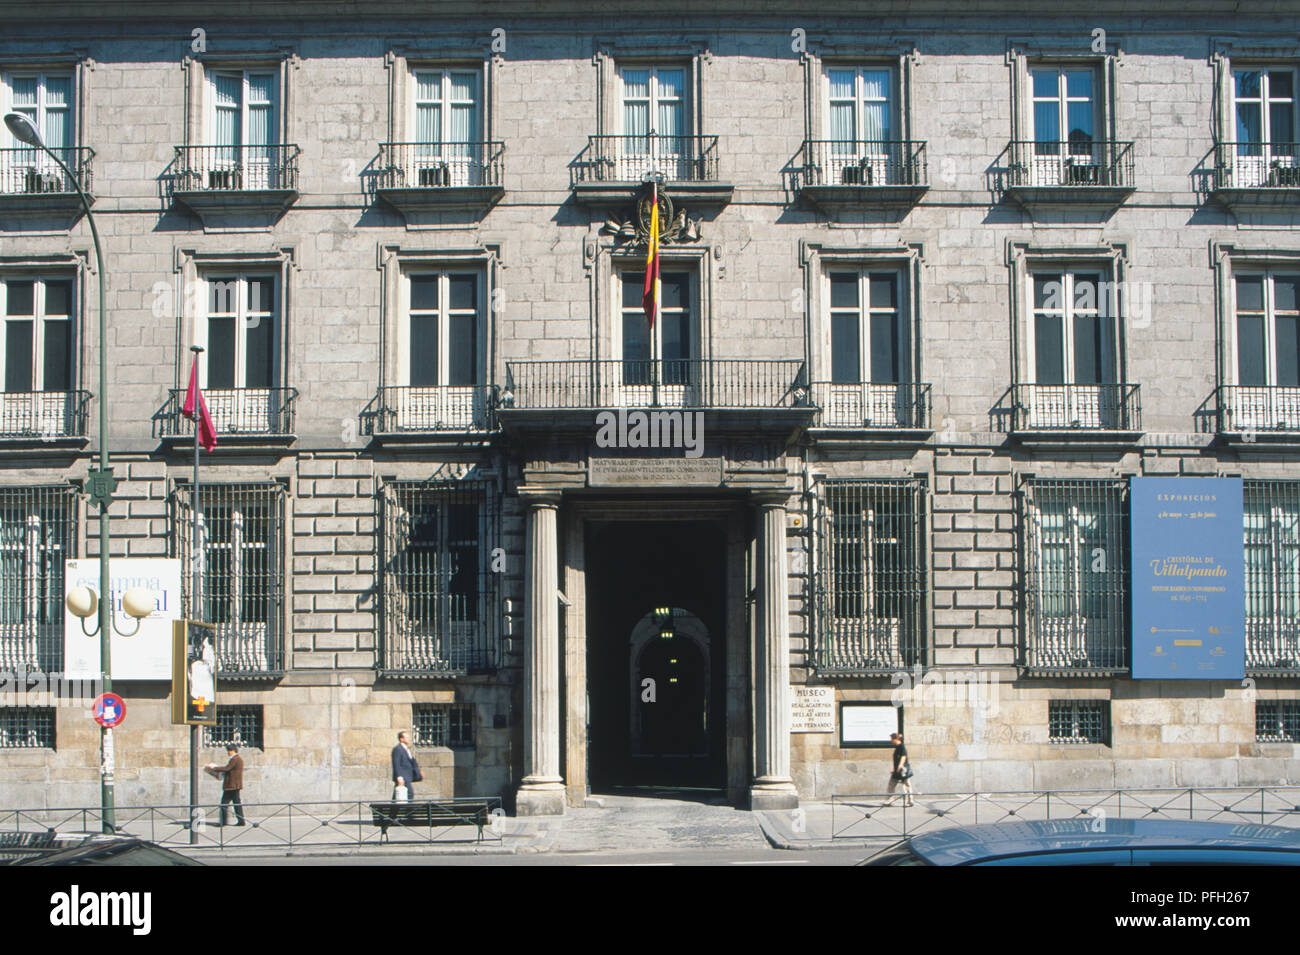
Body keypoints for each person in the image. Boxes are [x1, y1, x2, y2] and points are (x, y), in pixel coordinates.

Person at [207, 744, 246, 826]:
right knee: (236, 803)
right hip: (234, 785)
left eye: (228, 751)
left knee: (224, 804)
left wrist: (214, 768)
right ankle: (241, 821)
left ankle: (224, 822)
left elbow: (227, 768)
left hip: (231, 786)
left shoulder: (235, 759)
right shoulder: (237, 759)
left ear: (232, 751)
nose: (228, 753)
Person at [885, 732, 914, 807]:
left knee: (907, 784)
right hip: (897, 771)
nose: (891, 741)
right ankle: (890, 799)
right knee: (891, 785)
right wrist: (894, 769)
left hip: (902, 770)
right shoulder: (897, 747)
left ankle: (910, 801)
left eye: (892, 739)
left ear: (895, 739)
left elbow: (903, 757)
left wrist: (900, 766)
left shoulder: (901, 746)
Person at [390, 730, 422, 800]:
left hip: (407, 776)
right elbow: (396, 763)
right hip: (403, 776)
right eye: (406, 737)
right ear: (401, 739)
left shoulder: (406, 749)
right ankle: (405, 810)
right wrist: (399, 777)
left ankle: (394, 810)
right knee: (409, 794)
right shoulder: (398, 749)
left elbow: (411, 761)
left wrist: (418, 771)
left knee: (398, 796)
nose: (409, 739)